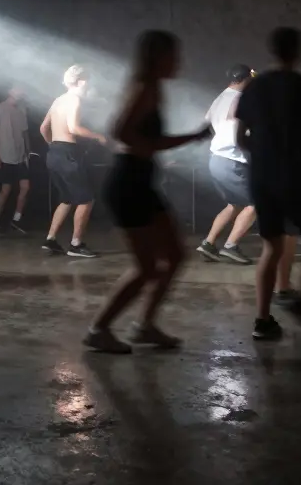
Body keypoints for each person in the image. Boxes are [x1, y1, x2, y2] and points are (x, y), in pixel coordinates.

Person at [84, 31, 211, 353]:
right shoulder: (143, 89)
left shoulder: (152, 89)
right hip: (128, 184)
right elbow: (119, 130)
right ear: (157, 57)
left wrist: (191, 137)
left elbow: (150, 139)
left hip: (141, 183)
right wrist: (148, 147)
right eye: (173, 55)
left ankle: (145, 326)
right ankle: (99, 329)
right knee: (147, 268)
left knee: (176, 256)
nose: (178, 62)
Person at [235, 27, 301, 341]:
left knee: (271, 246)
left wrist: (263, 154)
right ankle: (300, 296)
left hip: (262, 177)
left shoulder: (254, 88)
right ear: (298, 52)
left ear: (272, 51)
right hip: (295, 176)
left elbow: (240, 138)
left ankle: (262, 320)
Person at [40, 65, 104, 258]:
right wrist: (97, 136)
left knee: (67, 199)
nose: (89, 84)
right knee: (86, 200)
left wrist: (54, 146)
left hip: (54, 154)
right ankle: (76, 245)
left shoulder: (58, 100)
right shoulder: (75, 99)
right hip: (68, 154)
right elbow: (74, 128)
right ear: (81, 81)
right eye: (88, 80)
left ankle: (50, 240)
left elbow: (43, 128)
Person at [199, 64, 256, 265]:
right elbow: (240, 128)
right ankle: (231, 246)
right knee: (255, 204)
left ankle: (208, 243)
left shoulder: (221, 97)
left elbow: (209, 122)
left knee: (234, 205)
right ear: (245, 79)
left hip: (217, 159)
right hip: (232, 160)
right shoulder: (241, 100)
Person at [0, 86, 31, 234]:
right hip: (5, 155)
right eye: (17, 89)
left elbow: (25, 133)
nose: (21, 92)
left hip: (21, 157)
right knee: (6, 189)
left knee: (25, 187)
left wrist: (28, 152)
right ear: (10, 91)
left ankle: (16, 220)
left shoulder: (22, 110)